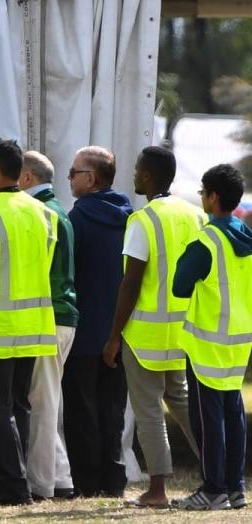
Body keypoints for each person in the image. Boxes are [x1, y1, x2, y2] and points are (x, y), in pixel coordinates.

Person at [103, 145, 202, 508]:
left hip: (144, 335)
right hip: (182, 333)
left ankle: (157, 490)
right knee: (186, 405)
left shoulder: (142, 219)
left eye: (137, 170)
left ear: (147, 175)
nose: (133, 175)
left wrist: (114, 336)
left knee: (147, 412)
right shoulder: (196, 216)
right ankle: (220, 473)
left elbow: (131, 282)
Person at [0, 138, 57, 506]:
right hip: (33, 324)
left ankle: (14, 484)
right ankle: (15, 480)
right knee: (20, 407)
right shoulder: (44, 212)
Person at [172, 164, 252, 511]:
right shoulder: (247, 237)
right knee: (233, 414)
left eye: (203, 192)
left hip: (207, 343)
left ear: (213, 197)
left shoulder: (207, 240)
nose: (201, 198)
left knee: (208, 420)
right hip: (238, 341)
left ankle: (213, 487)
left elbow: (179, 285)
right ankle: (235, 488)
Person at [62, 146, 132, 498]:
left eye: (74, 172)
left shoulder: (77, 219)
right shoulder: (130, 217)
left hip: (85, 330)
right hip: (120, 332)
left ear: (90, 178)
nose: (69, 178)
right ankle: (114, 479)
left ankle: (87, 481)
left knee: (81, 409)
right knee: (113, 409)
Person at [18, 151, 78, 501]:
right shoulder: (57, 210)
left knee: (41, 402)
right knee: (49, 400)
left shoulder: (42, 212)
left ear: (26, 178)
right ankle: (60, 476)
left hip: (50, 316)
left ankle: (41, 483)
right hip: (62, 316)